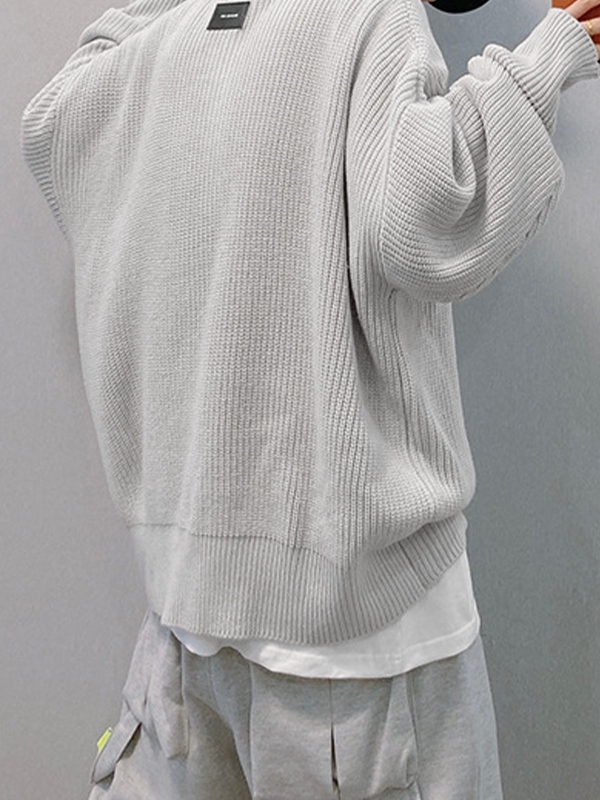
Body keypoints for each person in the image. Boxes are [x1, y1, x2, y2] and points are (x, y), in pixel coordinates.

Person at [20, 0, 600, 797]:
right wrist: (545, 60)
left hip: (184, 639)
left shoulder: (152, 45)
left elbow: (54, 124)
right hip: (363, 662)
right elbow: (437, 215)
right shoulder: (367, 19)